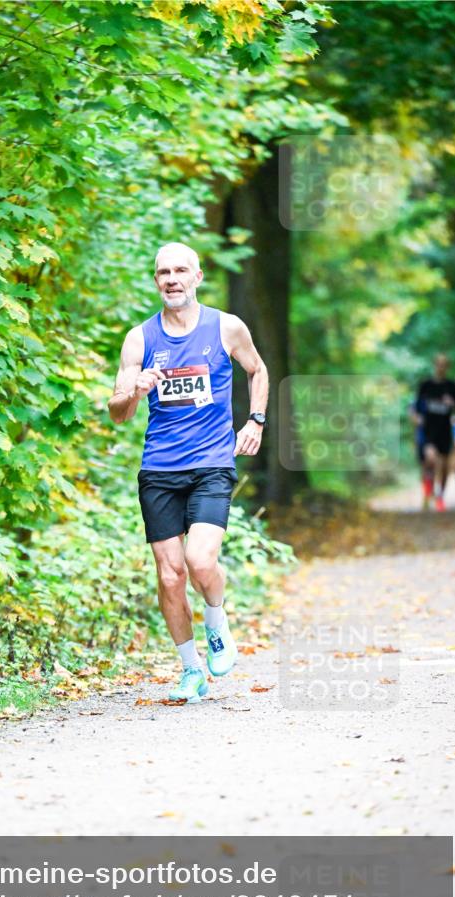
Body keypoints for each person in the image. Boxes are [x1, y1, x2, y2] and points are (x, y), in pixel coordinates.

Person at [108, 242, 268, 704]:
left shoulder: (226, 327)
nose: (172, 279)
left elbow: (258, 371)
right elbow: (117, 412)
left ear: (197, 277)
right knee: (170, 575)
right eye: (163, 272)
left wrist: (254, 421)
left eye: (180, 271)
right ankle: (190, 668)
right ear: (155, 280)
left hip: (212, 462)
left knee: (200, 561)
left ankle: (216, 620)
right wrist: (134, 392)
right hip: (159, 468)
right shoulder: (139, 339)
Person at [414, 354, 455, 512]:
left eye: (444, 365)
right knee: (429, 459)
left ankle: (440, 496)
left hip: (444, 430)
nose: (441, 367)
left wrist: (453, 403)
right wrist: (417, 419)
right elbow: (416, 408)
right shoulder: (426, 385)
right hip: (428, 430)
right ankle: (428, 488)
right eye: (438, 364)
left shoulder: (452, 387)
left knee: (444, 466)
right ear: (434, 365)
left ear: (447, 367)